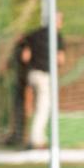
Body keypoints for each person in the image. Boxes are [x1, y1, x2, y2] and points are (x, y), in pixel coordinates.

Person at [20, 12, 66, 149]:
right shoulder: (57, 36)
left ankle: (35, 136)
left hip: (32, 74)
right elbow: (61, 59)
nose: (61, 22)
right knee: (43, 108)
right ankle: (36, 139)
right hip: (44, 76)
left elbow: (25, 56)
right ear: (56, 21)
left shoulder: (34, 34)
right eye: (60, 20)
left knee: (36, 106)